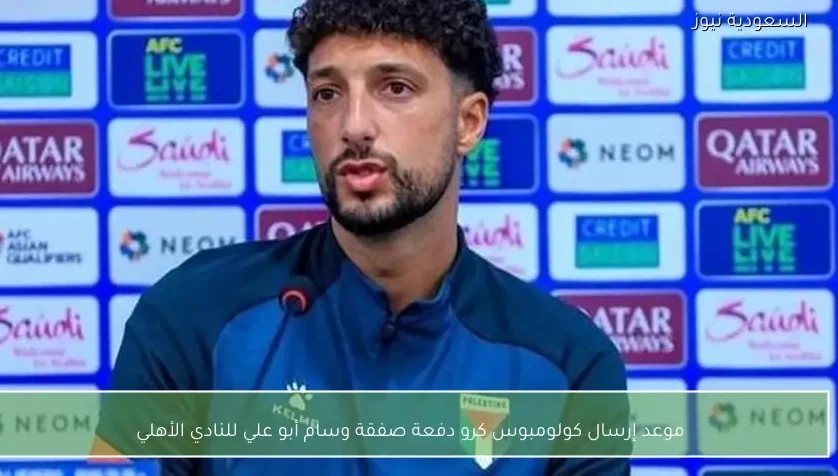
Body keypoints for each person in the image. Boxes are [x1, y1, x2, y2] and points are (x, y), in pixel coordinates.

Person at [91, 0, 630, 473]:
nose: (353, 126)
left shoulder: (568, 364)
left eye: (395, 88)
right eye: (327, 93)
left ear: (468, 123)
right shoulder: (194, 314)